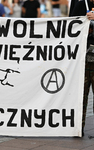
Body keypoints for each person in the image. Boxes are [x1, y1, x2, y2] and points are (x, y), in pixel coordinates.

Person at [70, 0, 94, 137]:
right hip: (82, 59)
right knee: (80, 97)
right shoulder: (80, 4)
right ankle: (78, 128)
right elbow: (70, 25)